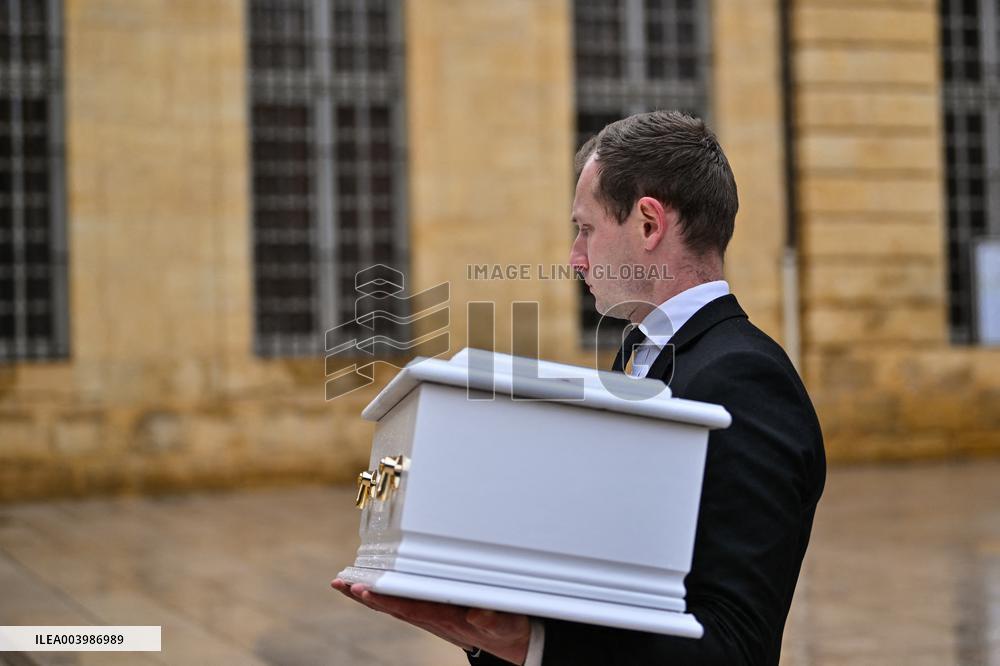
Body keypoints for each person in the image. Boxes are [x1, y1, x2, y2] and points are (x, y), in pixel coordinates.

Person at [333, 110, 826, 665]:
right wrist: (480, 630)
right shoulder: (645, 357)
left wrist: (532, 642)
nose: (575, 258)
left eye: (586, 228)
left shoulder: (745, 379)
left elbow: (736, 647)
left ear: (647, 223)